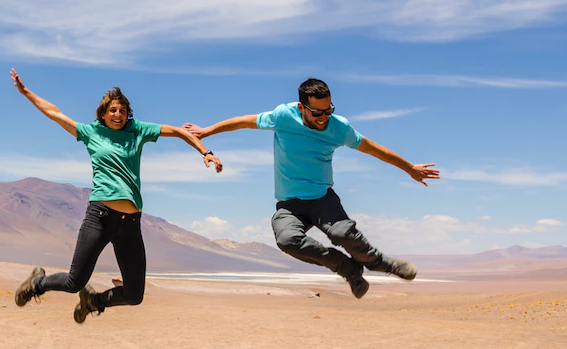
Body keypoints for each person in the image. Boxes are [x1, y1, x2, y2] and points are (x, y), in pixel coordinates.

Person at [183, 78, 439, 299]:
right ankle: (349, 270)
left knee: (343, 234)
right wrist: (208, 131)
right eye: (317, 113)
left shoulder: (339, 128)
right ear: (301, 107)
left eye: (328, 110)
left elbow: (372, 148)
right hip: (289, 204)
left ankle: (380, 263)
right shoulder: (283, 116)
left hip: (321, 198)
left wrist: (408, 167)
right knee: (286, 240)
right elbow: (244, 122)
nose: (323, 118)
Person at [8, 69, 223, 323]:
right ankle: (38, 283)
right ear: (103, 113)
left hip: (130, 224)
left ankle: (94, 302)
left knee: (134, 295)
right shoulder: (91, 133)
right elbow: (55, 113)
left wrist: (205, 152)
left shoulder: (138, 131)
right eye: (112, 110)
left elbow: (179, 131)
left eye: (122, 110)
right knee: (74, 281)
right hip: (100, 217)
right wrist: (26, 92)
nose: (118, 115)